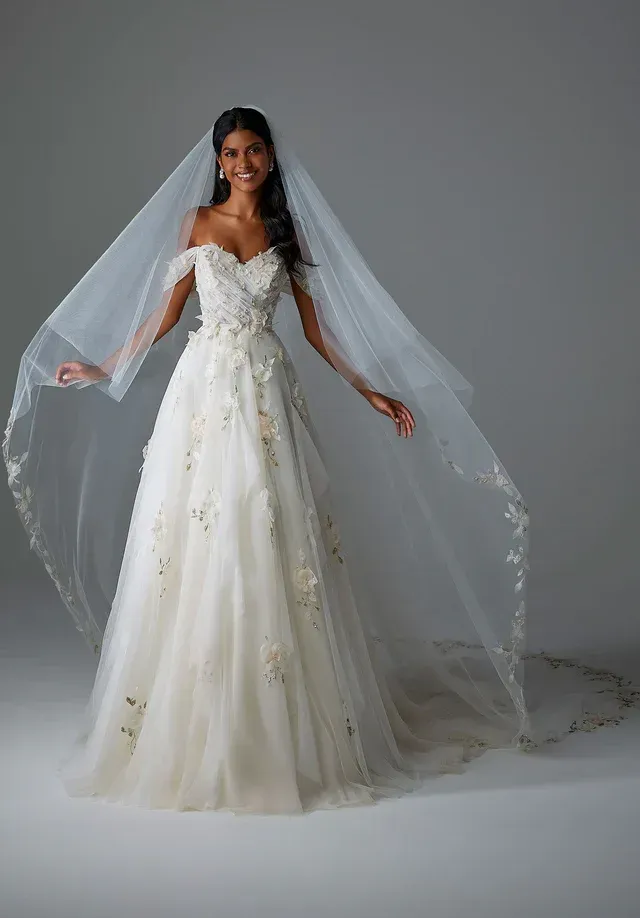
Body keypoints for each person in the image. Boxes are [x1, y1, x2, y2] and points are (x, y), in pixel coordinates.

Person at [6, 106, 629, 815]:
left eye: (256, 150)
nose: (244, 163)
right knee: (198, 533)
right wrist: (104, 368)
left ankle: (283, 721)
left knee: (273, 531)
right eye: (233, 152)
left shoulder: (282, 232)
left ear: (271, 158)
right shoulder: (198, 226)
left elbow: (317, 329)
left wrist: (370, 390)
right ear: (217, 160)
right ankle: (198, 718)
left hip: (269, 394)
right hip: (206, 396)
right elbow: (165, 317)